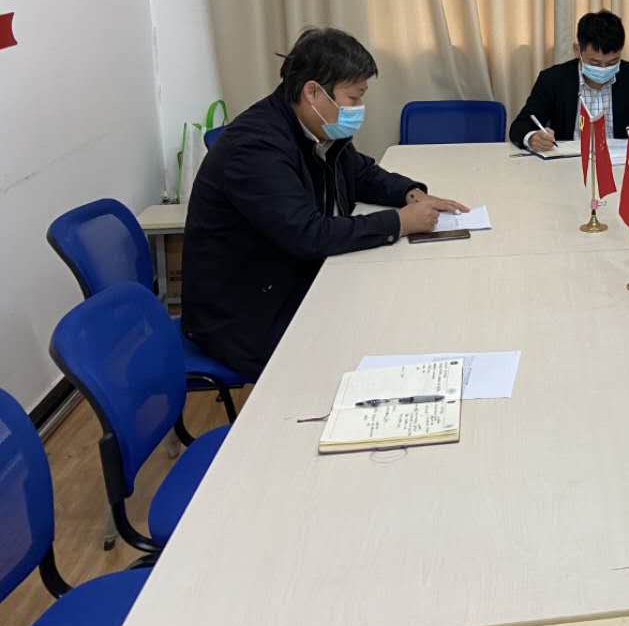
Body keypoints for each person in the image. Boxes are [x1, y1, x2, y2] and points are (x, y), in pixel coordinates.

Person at [183, 28, 467, 377]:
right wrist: (400, 222)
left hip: (296, 280)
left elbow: (361, 173)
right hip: (247, 314)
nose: (358, 109)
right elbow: (307, 233)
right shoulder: (255, 147)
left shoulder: (316, 126)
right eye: (353, 98)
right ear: (313, 92)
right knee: (376, 338)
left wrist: (410, 193)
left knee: (399, 308)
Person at [508, 10, 629, 153]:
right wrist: (532, 137)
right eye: (595, 63)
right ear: (577, 50)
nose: (603, 68)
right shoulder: (553, 79)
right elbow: (520, 126)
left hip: (620, 165)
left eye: (612, 62)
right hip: (567, 165)